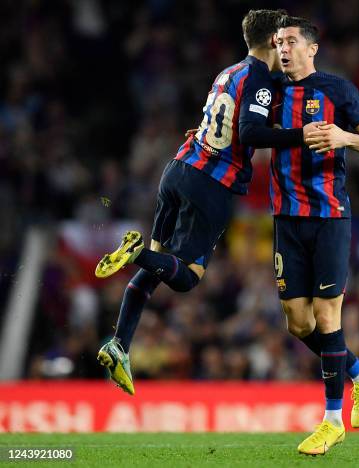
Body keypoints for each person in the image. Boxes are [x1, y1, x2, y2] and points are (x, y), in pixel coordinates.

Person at [94, 9, 320, 396]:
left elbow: (219, 121)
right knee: (186, 277)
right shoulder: (260, 79)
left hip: (179, 167)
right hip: (211, 184)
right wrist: (301, 135)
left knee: (156, 266)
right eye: (281, 40)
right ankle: (133, 252)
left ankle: (119, 345)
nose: (284, 47)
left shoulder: (227, 73)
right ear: (270, 42)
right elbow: (249, 133)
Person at [271, 15, 359, 455]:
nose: (283, 48)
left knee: (326, 316)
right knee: (297, 322)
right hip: (286, 217)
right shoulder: (270, 90)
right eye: (278, 42)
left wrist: (343, 137)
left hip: (329, 217)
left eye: (291, 41)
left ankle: (331, 420)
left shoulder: (337, 90)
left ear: (312, 48)